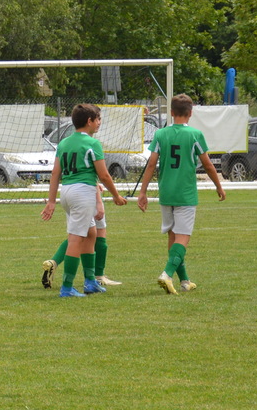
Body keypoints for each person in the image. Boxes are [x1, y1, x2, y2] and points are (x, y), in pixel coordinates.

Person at [136, 94, 226, 294]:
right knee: (183, 237)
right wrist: (219, 186)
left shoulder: (161, 134)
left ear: (171, 112)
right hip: (185, 194)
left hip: (166, 192)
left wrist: (143, 192)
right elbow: (208, 164)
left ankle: (185, 281)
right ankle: (167, 274)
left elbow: (151, 164)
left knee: (173, 236)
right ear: (190, 113)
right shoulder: (195, 135)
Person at [40, 103, 126, 297]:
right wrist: (116, 195)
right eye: (98, 119)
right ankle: (67, 287)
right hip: (83, 192)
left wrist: (52, 201)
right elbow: (104, 175)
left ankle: (90, 282)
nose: (99, 123)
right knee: (76, 239)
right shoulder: (92, 144)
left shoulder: (64, 143)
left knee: (91, 234)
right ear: (89, 121)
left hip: (67, 191)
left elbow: (55, 173)